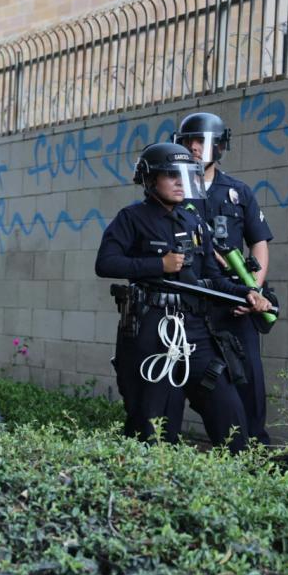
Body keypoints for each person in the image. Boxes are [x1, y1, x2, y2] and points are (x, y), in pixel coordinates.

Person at [95, 143, 272, 452]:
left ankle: (240, 484)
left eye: (185, 176)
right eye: (170, 175)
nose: (180, 182)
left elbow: (213, 279)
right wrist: (157, 265)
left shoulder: (193, 222)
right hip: (152, 330)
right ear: (150, 180)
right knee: (155, 429)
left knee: (230, 414)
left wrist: (247, 293)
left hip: (196, 329)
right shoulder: (132, 218)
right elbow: (105, 263)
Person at [174, 112, 274, 445]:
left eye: (204, 141)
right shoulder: (173, 190)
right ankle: (227, 444)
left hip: (233, 302)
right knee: (201, 379)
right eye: (191, 141)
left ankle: (255, 446)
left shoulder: (237, 192)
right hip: (192, 302)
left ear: (220, 146)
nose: (197, 149)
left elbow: (259, 241)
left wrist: (253, 293)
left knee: (249, 379)